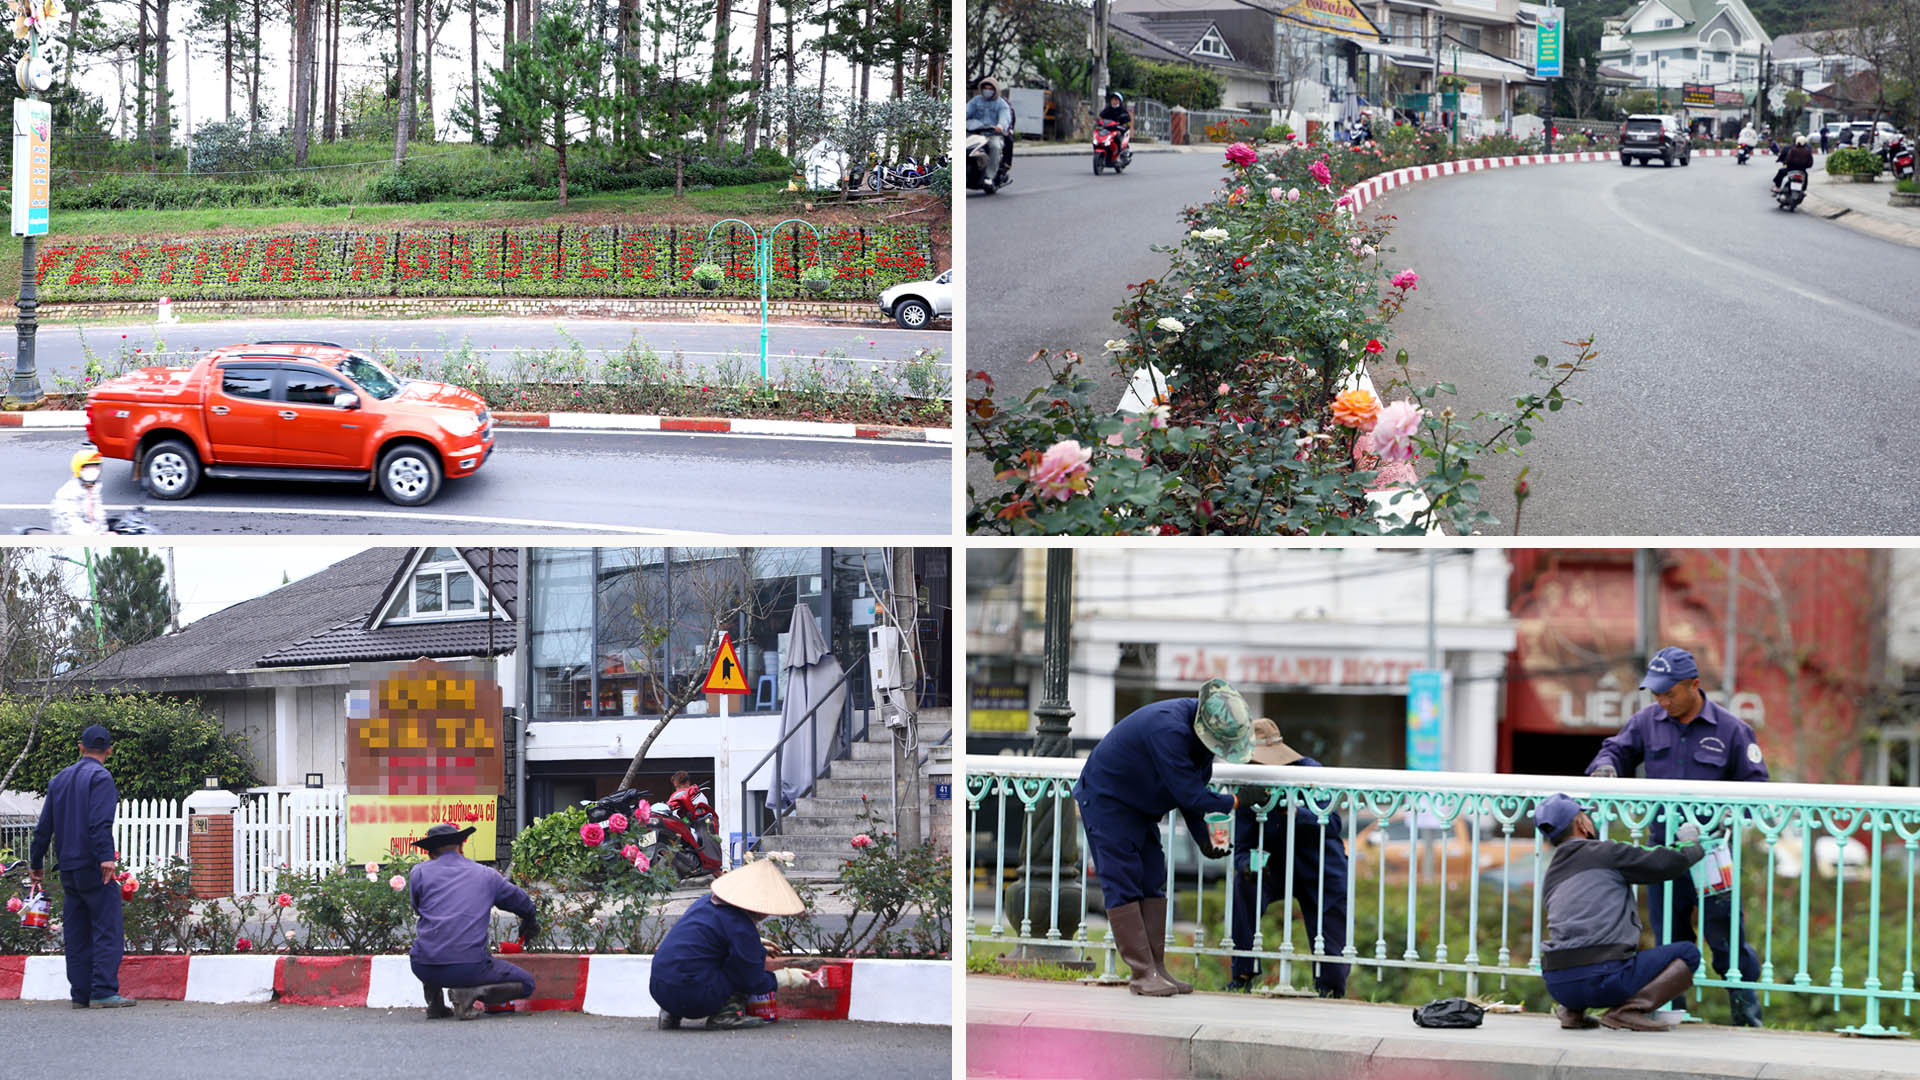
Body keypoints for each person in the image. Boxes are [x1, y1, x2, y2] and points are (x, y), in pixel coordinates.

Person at [1586, 646, 1767, 1026]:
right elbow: (1614, 752)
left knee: (1726, 938)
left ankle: (1747, 1015)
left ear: (1694, 686)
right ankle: (1673, 1014)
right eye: (1656, 694)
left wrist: (1729, 817)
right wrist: (1605, 769)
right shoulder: (1645, 722)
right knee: (1670, 937)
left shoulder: (1733, 730)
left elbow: (1756, 791)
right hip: (1663, 853)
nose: (1661, 701)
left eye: (1669, 693)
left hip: (1713, 856)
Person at [1074, 678, 1252, 997]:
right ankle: (1143, 973)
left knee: (1152, 877)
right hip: (1107, 801)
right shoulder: (1168, 730)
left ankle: (1158, 969)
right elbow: (1191, 794)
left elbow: (1188, 797)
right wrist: (1236, 801)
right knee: (1123, 880)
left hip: (1139, 807)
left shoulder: (1201, 742)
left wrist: (1204, 842)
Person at [1537, 794, 1705, 1031]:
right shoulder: (1605, 853)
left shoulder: (1551, 874)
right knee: (1688, 953)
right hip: (1605, 980)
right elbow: (1664, 863)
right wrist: (1690, 845)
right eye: (1586, 815)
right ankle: (1626, 1012)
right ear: (1581, 824)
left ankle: (1572, 1011)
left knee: (1580, 951)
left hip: (1558, 985)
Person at [1226, 719, 1350, 997]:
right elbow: (1243, 842)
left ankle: (1331, 991)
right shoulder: (1247, 781)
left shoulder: (1311, 772)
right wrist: (1245, 865)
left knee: (1332, 950)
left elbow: (1332, 825)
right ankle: (1242, 974)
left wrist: (1295, 813)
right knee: (1243, 885)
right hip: (1274, 865)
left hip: (1320, 866)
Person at [29, 725, 134, 1008]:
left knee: (76, 931)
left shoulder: (59, 779)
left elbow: (44, 827)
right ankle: (103, 991)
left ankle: (80, 993)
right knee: (107, 927)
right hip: (92, 865)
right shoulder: (101, 777)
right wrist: (106, 857)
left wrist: (35, 862)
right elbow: (100, 822)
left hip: (68, 868)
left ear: (80, 747)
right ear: (109, 750)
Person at [652, 857, 816, 1029]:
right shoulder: (741, 927)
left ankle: (670, 1012)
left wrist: (754, 944)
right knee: (740, 972)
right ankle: (726, 1016)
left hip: (659, 989)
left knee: (694, 966)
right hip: (695, 996)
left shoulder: (704, 903)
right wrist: (785, 978)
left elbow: (703, 940)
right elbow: (751, 980)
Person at [407, 822, 539, 1020]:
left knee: (430, 939)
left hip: (423, 966)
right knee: (527, 984)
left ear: (430, 854)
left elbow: (418, 909)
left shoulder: (419, 872)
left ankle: (436, 1005)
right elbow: (522, 903)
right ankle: (471, 994)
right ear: (461, 847)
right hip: (468, 968)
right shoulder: (486, 875)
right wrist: (530, 920)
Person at [966, 78, 1013, 192]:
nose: (987, 90)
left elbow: (1005, 117)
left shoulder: (1001, 104)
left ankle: (989, 177)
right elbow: (966, 111)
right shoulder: (976, 101)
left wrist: (1000, 126)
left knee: (995, 146)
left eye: (990, 89)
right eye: (985, 88)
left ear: (995, 90)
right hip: (975, 133)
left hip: (993, 134)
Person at [51, 448, 109, 535]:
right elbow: (74, 528)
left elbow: (98, 517)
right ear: (79, 469)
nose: (93, 470)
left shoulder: (93, 489)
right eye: (87, 467)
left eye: (96, 466)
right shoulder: (68, 494)